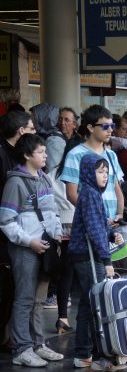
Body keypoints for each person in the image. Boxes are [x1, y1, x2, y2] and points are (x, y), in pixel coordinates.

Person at [0, 134, 64, 367]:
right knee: (24, 298)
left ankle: (38, 344)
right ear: (27, 155)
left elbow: (53, 211)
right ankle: (22, 348)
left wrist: (56, 235)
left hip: (45, 247)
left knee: (38, 299)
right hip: (26, 250)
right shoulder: (15, 183)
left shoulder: (45, 179)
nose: (46, 155)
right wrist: (29, 241)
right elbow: (6, 221)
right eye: (41, 152)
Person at [68, 154, 126, 370]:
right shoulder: (90, 195)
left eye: (106, 172)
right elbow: (93, 231)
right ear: (87, 173)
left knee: (88, 303)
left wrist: (111, 234)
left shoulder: (90, 194)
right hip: (88, 256)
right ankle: (97, 354)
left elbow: (98, 225)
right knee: (96, 305)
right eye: (99, 171)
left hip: (84, 254)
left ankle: (84, 353)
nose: (104, 176)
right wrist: (107, 259)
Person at [0, 110, 36, 352]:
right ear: (21, 131)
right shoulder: (4, 156)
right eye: (31, 129)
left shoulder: (12, 156)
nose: (35, 133)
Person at [60, 105, 125, 222]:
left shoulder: (111, 155)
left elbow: (116, 188)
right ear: (90, 127)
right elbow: (71, 194)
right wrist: (96, 216)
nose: (110, 130)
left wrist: (119, 214)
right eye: (105, 126)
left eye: (112, 125)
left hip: (113, 221)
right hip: (90, 221)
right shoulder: (75, 154)